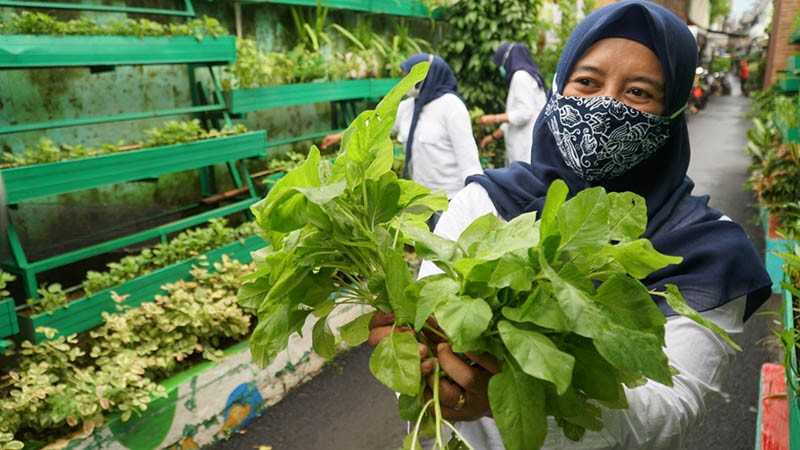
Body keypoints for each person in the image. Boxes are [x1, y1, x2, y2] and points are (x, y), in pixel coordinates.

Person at [369, 1, 772, 449]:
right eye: (587, 82)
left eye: (638, 92)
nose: (604, 106)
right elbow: (425, 344)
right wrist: (413, 357)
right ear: (559, 88)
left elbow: (669, 412)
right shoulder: (484, 202)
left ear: (674, 111)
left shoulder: (706, 250)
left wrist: (522, 400)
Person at [321, 54, 483, 202]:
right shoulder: (408, 107)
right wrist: (340, 136)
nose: (405, 82)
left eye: (409, 77)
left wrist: (474, 198)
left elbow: (468, 159)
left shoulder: (452, 107)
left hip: (450, 197)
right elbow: (376, 126)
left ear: (428, 76)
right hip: (421, 199)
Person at [478, 43, 548, 166]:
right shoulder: (529, 76)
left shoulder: (520, 76)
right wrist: (493, 137)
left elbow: (524, 114)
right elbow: (513, 119)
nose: (502, 69)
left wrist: (494, 118)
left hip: (525, 148)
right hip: (527, 147)